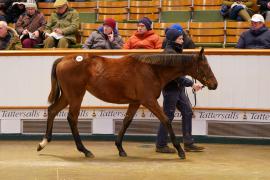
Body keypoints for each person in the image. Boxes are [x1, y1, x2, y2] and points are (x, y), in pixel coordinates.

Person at [155, 28, 204, 153]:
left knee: (187, 112)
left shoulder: (175, 51)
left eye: (182, 38)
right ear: (173, 40)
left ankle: (188, 142)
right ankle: (160, 145)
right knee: (167, 116)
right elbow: (176, 76)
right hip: (170, 89)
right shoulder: (170, 54)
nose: (183, 41)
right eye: (180, 39)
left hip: (178, 89)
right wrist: (191, 84)